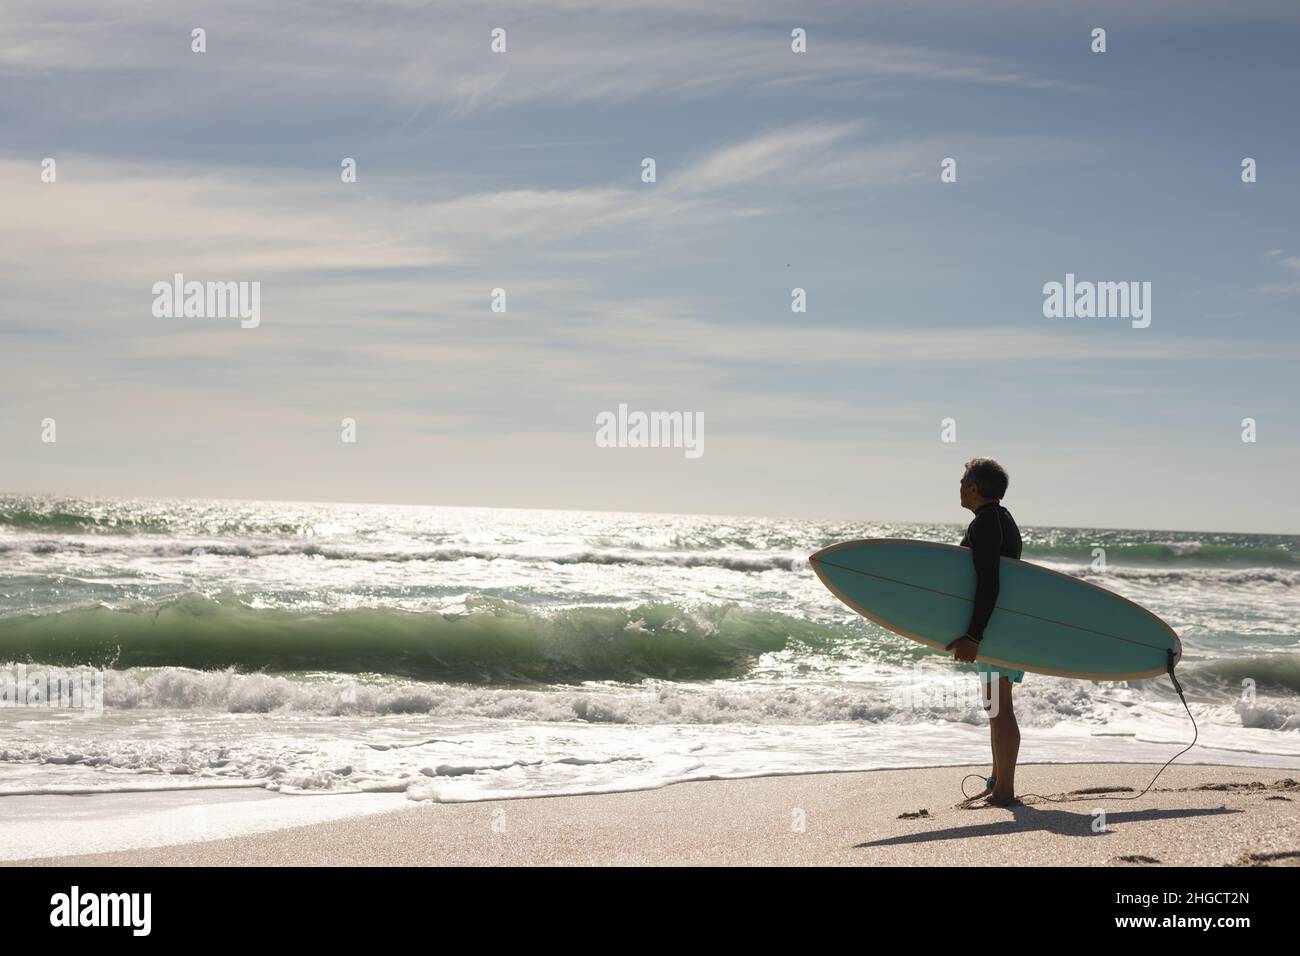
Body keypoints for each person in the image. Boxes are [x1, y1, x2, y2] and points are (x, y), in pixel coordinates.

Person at [945, 458, 1023, 806]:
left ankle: (1005, 789)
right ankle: (997, 779)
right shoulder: (1001, 519)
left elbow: (989, 583)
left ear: (974, 488)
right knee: (996, 706)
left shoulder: (987, 524)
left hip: (995, 630)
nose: (960, 487)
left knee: (1000, 707)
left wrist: (974, 635)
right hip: (1003, 627)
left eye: (963, 481)